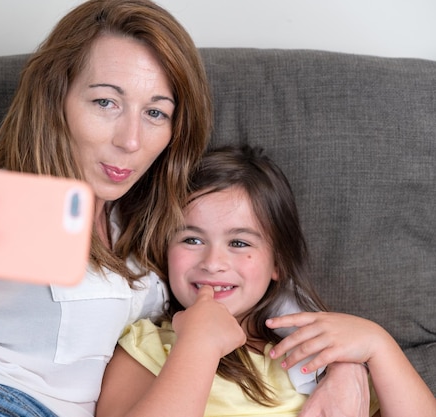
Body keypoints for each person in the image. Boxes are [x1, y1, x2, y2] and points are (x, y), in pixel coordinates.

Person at [0, 1, 370, 416]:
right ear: (56, 97)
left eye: (156, 113)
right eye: (106, 102)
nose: (131, 140)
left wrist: (343, 365)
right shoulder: (5, 199)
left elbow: (257, 282)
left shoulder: (157, 216)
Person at [97, 145, 436, 417]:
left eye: (239, 243)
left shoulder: (313, 355)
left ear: (278, 263)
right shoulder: (146, 345)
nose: (213, 263)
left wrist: (379, 345)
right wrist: (198, 344)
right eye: (191, 240)